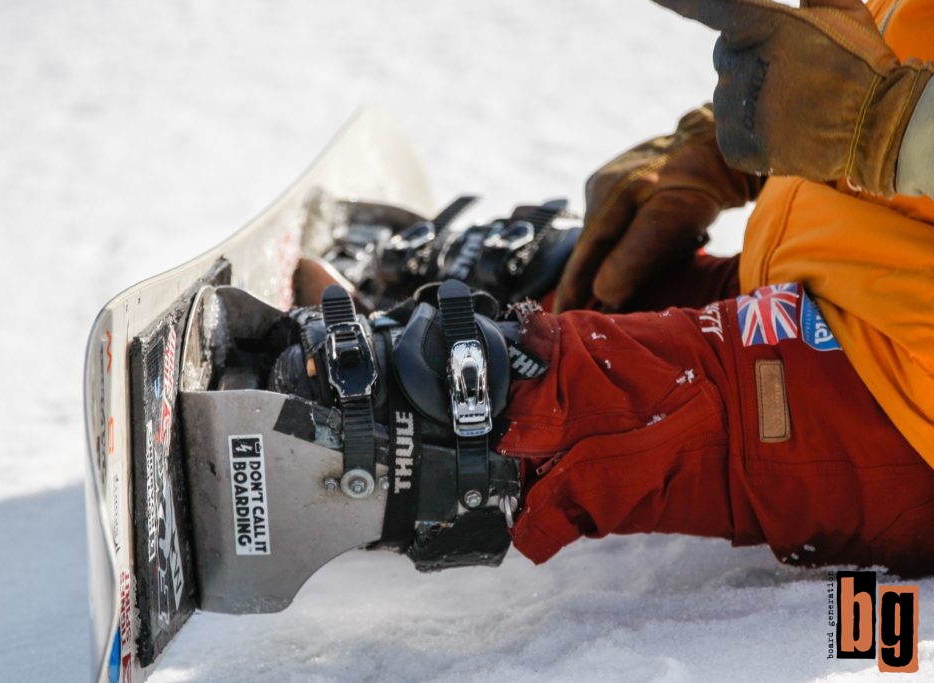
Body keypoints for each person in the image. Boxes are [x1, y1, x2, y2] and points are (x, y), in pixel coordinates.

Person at [268, 0, 934, 578]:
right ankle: (396, 345)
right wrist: (729, 143)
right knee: (590, 275)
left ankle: (324, 444)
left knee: (565, 394)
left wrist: (895, 131)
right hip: (857, 260)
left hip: (896, 395)